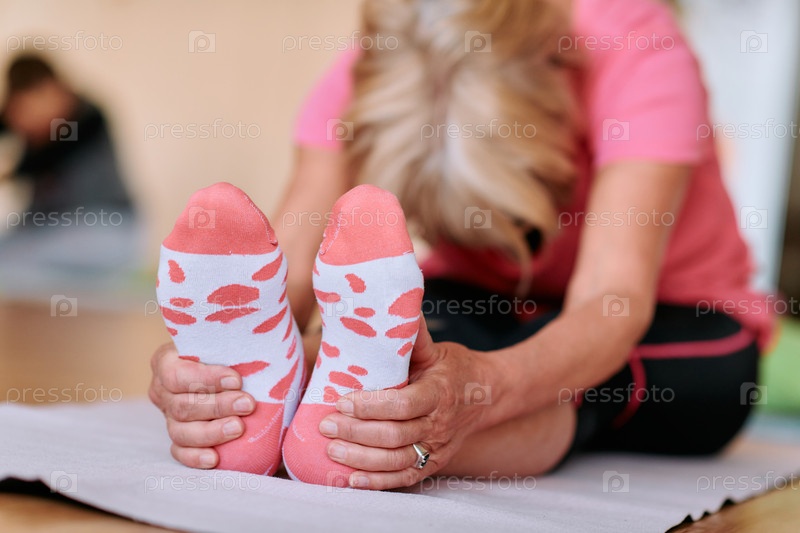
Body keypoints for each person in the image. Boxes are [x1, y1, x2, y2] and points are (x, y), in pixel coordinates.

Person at [148, 0, 772, 490]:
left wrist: (486, 389)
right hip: (475, 298)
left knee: (571, 373)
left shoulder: (638, 47)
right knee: (417, 353)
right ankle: (291, 411)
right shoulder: (377, 64)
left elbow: (611, 298)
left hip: (668, 319)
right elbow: (289, 269)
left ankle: (355, 439)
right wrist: (207, 376)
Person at [0, 55, 139, 294]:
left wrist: (9, 172)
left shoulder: (88, 119)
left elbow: (49, 157)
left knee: (13, 265)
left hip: (103, 226)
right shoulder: (28, 120)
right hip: (45, 230)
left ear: (57, 89)